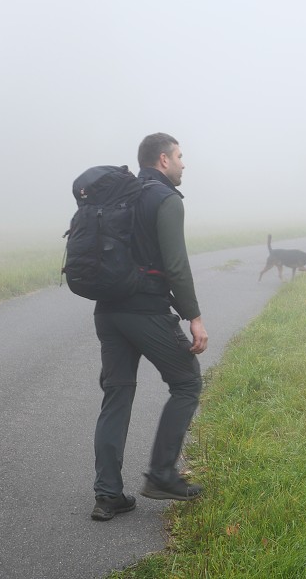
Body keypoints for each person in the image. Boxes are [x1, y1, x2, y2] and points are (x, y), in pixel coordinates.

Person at [90, 132, 209, 521]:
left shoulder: (118, 195)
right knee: (187, 382)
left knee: (117, 395)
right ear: (163, 160)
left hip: (108, 310)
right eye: (179, 156)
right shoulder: (166, 199)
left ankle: (108, 495)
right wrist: (194, 317)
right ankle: (161, 475)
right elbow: (176, 266)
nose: (183, 163)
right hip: (146, 311)